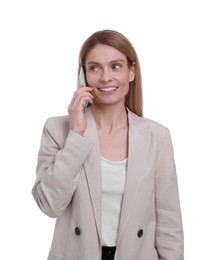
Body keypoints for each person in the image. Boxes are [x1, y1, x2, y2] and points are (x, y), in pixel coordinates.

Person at [32, 29, 184, 260]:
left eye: (115, 66)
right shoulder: (57, 130)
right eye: (94, 68)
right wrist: (76, 135)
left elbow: (169, 224)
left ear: (131, 72)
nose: (105, 78)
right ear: (83, 76)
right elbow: (49, 204)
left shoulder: (157, 137)